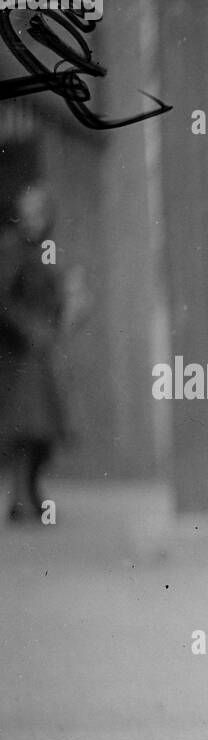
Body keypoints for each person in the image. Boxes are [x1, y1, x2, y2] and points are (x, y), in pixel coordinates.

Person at [0, 184, 70, 524]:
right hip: (17, 355)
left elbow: (51, 295)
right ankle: (21, 500)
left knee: (41, 433)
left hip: (36, 353)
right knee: (26, 431)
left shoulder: (43, 250)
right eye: (29, 213)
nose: (35, 221)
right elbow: (4, 299)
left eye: (41, 214)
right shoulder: (11, 248)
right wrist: (29, 329)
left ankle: (27, 497)